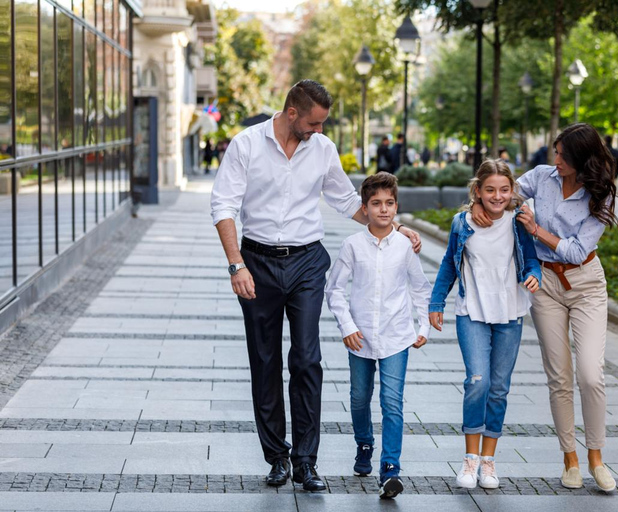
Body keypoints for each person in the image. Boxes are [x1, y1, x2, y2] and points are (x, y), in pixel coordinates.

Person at [210, 80, 421, 492]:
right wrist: (236, 265)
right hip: (257, 261)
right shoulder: (247, 145)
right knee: (265, 360)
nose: (319, 130)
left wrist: (395, 228)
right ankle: (277, 457)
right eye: (314, 122)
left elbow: (345, 200)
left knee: (307, 359)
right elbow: (224, 205)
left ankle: (306, 461)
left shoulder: (322, 149)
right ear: (292, 112)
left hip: (307, 262)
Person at [473, 123, 618, 493]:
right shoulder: (543, 176)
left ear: (580, 161)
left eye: (561, 155)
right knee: (558, 377)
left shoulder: (599, 195)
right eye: (555, 152)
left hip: (585, 283)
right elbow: (500, 191)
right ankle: (570, 458)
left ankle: (596, 457)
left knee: (590, 374)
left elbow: (574, 250)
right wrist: (478, 203)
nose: (555, 160)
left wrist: (536, 230)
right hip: (545, 284)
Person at [429, 159, 541, 490]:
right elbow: (449, 265)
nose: (497, 196)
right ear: (477, 191)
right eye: (489, 190)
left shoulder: (518, 222)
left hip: (509, 313)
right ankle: (470, 458)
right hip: (472, 312)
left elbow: (531, 258)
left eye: (504, 190)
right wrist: (436, 303)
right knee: (477, 381)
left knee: (499, 388)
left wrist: (533, 274)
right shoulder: (461, 223)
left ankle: (489, 461)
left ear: (512, 191)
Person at [325, 173, 431, 499]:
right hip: (360, 338)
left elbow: (420, 288)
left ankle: (390, 470)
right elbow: (334, 290)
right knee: (359, 398)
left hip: (397, 336)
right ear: (365, 207)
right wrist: (347, 327)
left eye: (388, 204)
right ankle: (364, 443)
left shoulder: (405, 246)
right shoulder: (352, 246)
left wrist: (423, 326)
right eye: (376, 204)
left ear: (396, 207)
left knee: (392, 403)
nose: (383, 210)